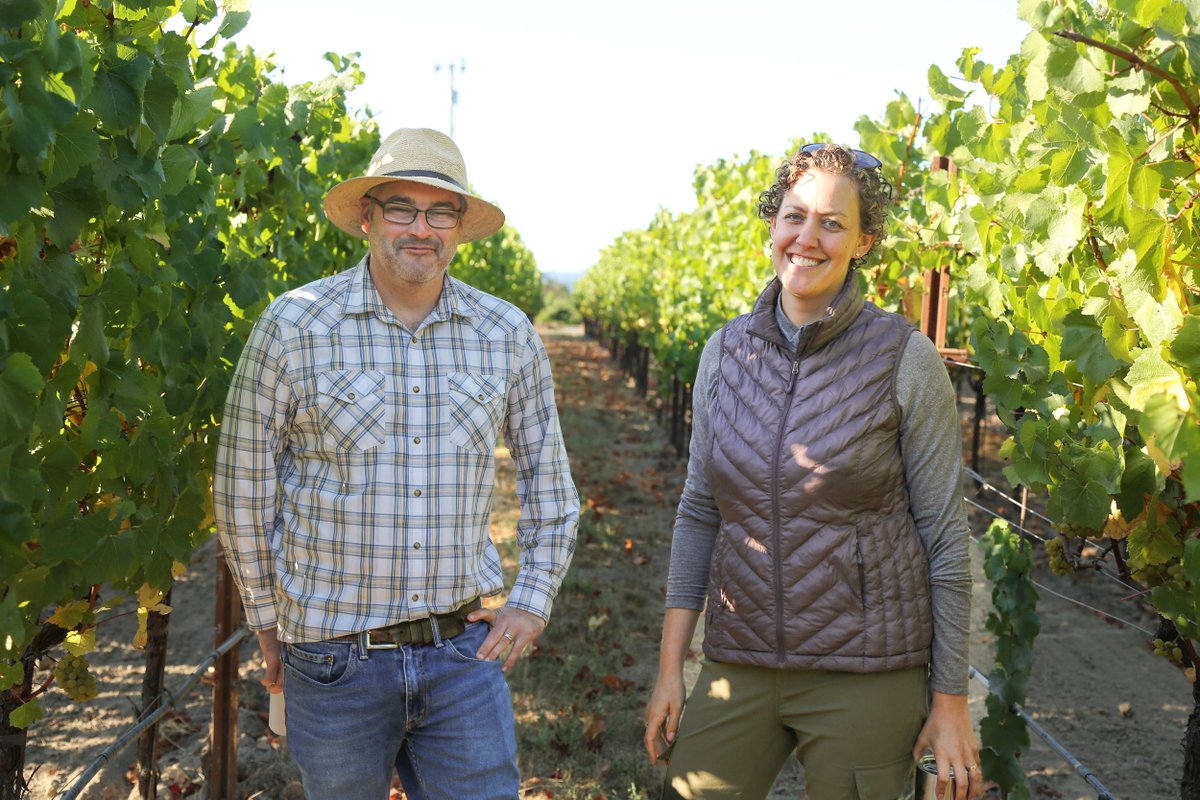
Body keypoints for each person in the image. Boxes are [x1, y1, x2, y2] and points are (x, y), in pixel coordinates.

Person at [214, 127, 579, 800]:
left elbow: (549, 484)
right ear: (367, 218)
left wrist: (530, 602)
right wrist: (268, 625)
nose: (422, 228)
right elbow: (243, 489)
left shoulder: (507, 334)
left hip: (461, 654)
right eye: (402, 209)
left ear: (460, 228)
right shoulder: (293, 326)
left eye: (441, 211)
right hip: (331, 660)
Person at [642, 143, 980, 800]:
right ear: (773, 225)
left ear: (864, 240)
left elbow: (944, 537)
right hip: (738, 659)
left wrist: (950, 702)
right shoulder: (724, 353)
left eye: (832, 222)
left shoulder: (905, 360)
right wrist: (670, 670)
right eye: (794, 216)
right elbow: (699, 511)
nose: (808, 237)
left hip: (867, 674)